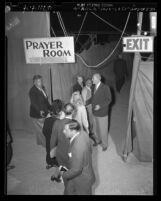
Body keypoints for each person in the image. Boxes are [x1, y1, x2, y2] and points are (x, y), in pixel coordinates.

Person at [59, 120, 96, 195]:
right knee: (69, 190)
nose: (63, 131)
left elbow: (76, 170)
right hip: (81, 172)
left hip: (82, 180)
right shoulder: (83, 133)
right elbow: (90, 150)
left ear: (73, 131)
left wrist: (63, 175)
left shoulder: (77, 147)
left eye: (66, 130)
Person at [86, 73, 112, 151]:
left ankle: (104, 145)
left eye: (93, 78)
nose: (92, 80)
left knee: (103, 129)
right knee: (95, 129)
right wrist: (86, 102)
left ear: (98, 79)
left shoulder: (105, 87)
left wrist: (100, 106)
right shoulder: (93, 86)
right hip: (94, 112)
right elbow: (93, 98)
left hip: (102, 113)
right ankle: (98, 140)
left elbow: (109, 99)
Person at [50, 103, 75, 169]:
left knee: (62, 170)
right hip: (71, 155)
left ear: (63, 111)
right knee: (71, 172)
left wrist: (52, 151)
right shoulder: (75, 124)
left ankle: (62, 178)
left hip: (60, 153)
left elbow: (53, 140)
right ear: (73, 112)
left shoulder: (57, 123)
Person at [29, 75, 51, 147]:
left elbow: (46, 100)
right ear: (34, 82)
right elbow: (34, 103)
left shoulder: (42, 88)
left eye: (41, 80)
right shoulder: (32, 91)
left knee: (39, 129)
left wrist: (50, 108)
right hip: (37, 114)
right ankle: (45, 144)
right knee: (42, 129)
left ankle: (39, 142)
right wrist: (40, 111)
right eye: (38, 81)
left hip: (44, 111)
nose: (40, 82)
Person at [42, 99, 64, 169]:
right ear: (59, 111)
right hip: (56, 142)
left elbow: (44, 131)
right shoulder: (59, 122)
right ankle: (57, 164)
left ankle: (50, 163)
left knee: (48, 150)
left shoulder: (47, 119)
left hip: (48, 139)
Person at [82, 79, 97, 146]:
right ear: (86, 83)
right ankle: (90, 133)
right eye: (88, 83)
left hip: (91, 106)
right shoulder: (84, 90)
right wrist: (92, 100)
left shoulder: (90, 88)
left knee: (92, 119)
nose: (90, 84)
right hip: (88, 107)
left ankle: (91, 131)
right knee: (90, 120)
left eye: (91, 83)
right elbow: (84, 102)